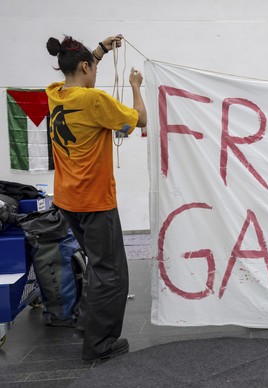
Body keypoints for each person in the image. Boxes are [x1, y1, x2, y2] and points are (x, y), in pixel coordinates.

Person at [45, 34, 147, 362]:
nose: (97, 75)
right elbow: (140, 119)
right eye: (94, 67)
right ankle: (99, 345)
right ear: (86, 66)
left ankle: (86, 322)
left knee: (96, 263)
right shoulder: (94, 101)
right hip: (94, 201)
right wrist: (135, 85)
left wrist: (101, 50)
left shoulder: (55, 94)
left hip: (68, 199)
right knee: (112, 272)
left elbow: (80, 73)